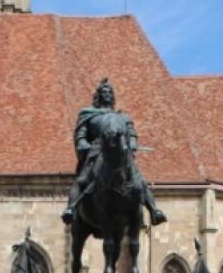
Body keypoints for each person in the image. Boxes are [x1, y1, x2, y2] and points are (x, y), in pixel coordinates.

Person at [61, 78, 166, 227]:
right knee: (82, 180)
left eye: (110, 92)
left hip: (121, 154)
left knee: (140, 180)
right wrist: (88, 147)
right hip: (96, 154)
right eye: (104, 92)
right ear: (98, 96)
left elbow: (132, 134)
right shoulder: (88, 114)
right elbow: (80, 138)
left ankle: (154, 210)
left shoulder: (122, 117)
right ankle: (70, 209)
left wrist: (132, 143)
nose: (108, 95)